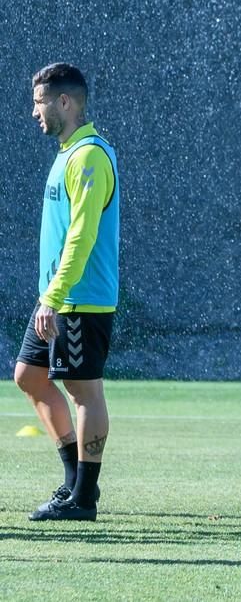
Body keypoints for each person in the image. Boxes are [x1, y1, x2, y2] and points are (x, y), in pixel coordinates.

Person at [15, 63, 119, 522]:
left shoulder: (90, 156)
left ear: (64, 102)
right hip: (56, 297)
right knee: (28, 376)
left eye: (39, 102)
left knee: (82, 390)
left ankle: (84, 498)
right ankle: (72, 482)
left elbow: (82, 235)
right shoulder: (66, 153)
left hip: (80, 298)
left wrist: (53, 297)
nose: (34, 111)